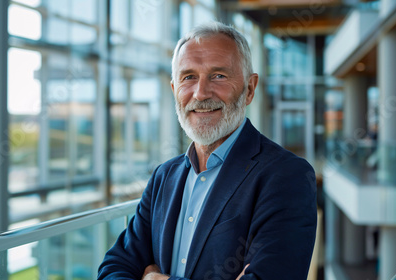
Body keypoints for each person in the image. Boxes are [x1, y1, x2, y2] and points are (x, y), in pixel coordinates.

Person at [98, 21, 317, 280]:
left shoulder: (287, 176)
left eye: (219, 76)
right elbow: (113, 267)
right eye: (189, 77)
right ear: (173, 89)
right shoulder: (163, 177)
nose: (200, 93)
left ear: (249, 89)